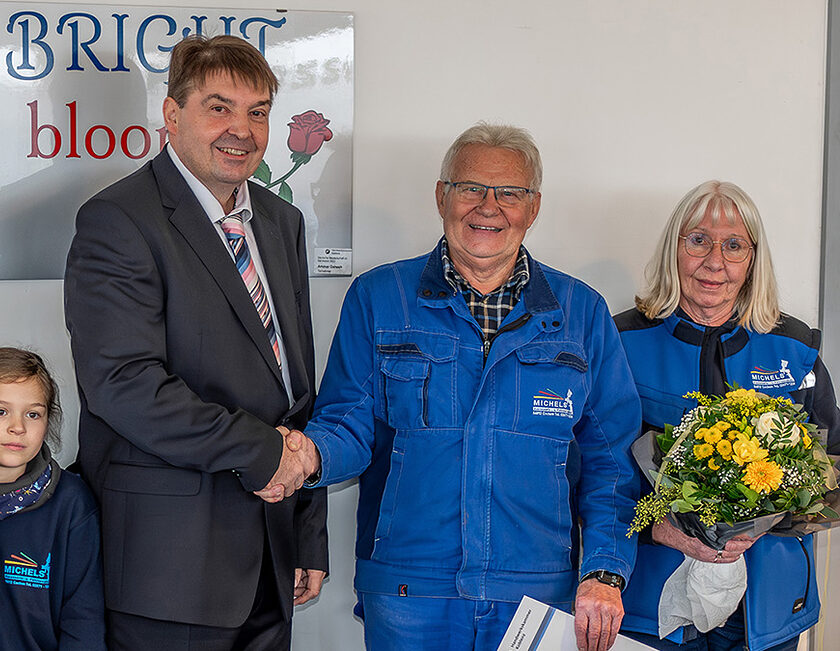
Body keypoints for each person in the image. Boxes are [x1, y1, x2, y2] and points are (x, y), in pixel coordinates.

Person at [287, 124, 641, 651]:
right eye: (471, 187)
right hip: (411, 591)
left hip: (539, 594)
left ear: (534, 206)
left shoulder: (581, 312)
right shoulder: (379, 298)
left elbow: (611, 462)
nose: (489, 206)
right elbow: (346, 424)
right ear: (441, 195)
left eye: (509, 193)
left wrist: (606, 571)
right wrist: (305, 456)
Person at [63, 34, 329, 650]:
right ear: (172, 114)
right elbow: (122, 385)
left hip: (272, 554)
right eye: (219, 107)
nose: (241, 129)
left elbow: (296, 387)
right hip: (170, 567)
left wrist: (308, 528)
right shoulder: (118, 221)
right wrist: (263, 453)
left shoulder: (280, 220)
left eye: (257, 112)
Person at [614, 180, 840, 651]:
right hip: (652, 609)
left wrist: (769, 516)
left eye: (734, 245)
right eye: (698, 240)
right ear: (674, 249)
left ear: (753, 259)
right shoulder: (620, 342)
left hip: (767, 612)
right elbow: (589, 475)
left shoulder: (795, 348)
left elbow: (833, 464)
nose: (714, 261)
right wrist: (662, 528)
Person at [0, 347, 104, 650]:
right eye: (0, 411)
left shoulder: (71, 503)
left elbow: (84, 620)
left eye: (33, 414)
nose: (18, 427)